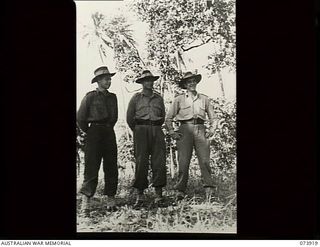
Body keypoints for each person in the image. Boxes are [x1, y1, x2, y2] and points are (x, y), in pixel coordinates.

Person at [165, 71, 217, 201]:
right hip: (185, 129)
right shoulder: (179, 99)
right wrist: (172, 132)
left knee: (205, 160)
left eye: (193, 81)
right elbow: (168, 118)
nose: (192, 83)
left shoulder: (204, 99)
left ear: (196, 82)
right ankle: (180, 190)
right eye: (189, 82)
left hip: (200, 129)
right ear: (185, 85)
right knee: (183, 162)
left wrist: (212, 129)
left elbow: (213, 117)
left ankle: (209, 190)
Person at [77, 66, 118, 212]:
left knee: (111, 166)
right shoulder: (90, 97)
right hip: (94, 132)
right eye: (106, 79)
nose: (109, 81)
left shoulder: (113, 97)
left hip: (109, 132)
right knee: (91, 167)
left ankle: (111, 200)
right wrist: (90, 131)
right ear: (99, 81)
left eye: (110, 79)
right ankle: (85, 202)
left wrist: (107, 128)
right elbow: (80, 118)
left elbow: (114, 117)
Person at [126, 70, 167, 207]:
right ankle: (140, 195)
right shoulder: (136, 98)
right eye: (146, 80)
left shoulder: (158, 98)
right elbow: (129, 117)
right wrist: (138, 130)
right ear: (142, 83)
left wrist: (154, 127)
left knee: (159, 161)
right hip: (141, 130)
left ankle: (158, 195)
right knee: (141, 161)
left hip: (156, 129)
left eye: (151, 80)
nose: (149, 82)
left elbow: (163, 116)